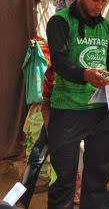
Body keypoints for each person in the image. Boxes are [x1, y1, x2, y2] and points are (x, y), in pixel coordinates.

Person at [46, 0, 109, 209]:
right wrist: (86, 75)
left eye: (105, 0)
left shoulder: (106, 26)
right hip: (68, 112)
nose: (100, 6)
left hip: (102, 112)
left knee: (99, 178)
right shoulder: (59, 21)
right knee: (63, 180)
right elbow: (59, 62)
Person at [16, 66, 54, 209]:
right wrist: (49, 129)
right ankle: (22, 202)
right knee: (36, 156)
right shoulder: (51, 72)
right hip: (53, 120)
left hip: (76, 122)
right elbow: (46, 103)